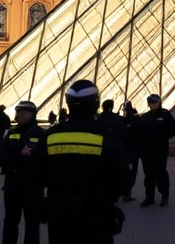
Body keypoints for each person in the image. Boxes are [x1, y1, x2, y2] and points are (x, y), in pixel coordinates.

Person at [33, 80, 126, 243]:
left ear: (68, 104)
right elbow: (123, 179)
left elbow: (36, 174)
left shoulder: (51, 136)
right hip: (97, 213)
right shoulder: (106, 138)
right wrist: (110, 197)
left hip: (59, 214)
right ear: (96, 103)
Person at [0, 100, 45, 244]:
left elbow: (45, 159)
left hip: (33, 185)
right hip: (12, 184)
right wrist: (19, 155)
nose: (20, 115)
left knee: (32, 224)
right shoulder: (11, 134)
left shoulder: (42, 135)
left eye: (24, 113)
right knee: (10, 221)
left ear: (32, 115)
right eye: (18, 112)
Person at [138, 93, 175, 208]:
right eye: (151, 102)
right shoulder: (144, 117)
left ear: (159, 102)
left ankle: (164, 195)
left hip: (160, 150)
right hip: (147, 151)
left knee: (161, 173)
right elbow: (140, 134)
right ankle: (149, 198)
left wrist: (163, 136)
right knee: (148, 175)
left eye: (155, 102)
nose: (152, 104)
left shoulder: (165, 114)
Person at [121, 101, 142, 201]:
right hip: (134, 149)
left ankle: (125, 191)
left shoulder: (124, 120)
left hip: (125, 149)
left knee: (125, 171)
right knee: (133, 171)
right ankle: (127, 192)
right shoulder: (137, 119)